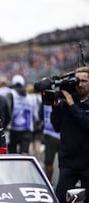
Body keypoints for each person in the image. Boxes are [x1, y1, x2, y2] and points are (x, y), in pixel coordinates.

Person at [50, 66, 89, 203]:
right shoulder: (66, 101)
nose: (80, 84)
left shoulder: (70, 102)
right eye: (77, 81)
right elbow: (56, 126)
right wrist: (54, 107)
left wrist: (73, 106)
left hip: (87, 162)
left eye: (84, 81)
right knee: (60, 198)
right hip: (68, 161)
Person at [7, 74, 36, 155]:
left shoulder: (11, 94)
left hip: (14, 128)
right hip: (27, 129)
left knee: (12, 153)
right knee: (24, 153)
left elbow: (8, 111)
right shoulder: (30, 97)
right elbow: (34, 114)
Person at [42, 104, 60, 184]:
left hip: (50, 134)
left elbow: (39, 115)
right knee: (65, 164)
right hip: (61, 134)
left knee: (48, 162)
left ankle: (49, 183)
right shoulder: (66, 99)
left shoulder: (46, 101)